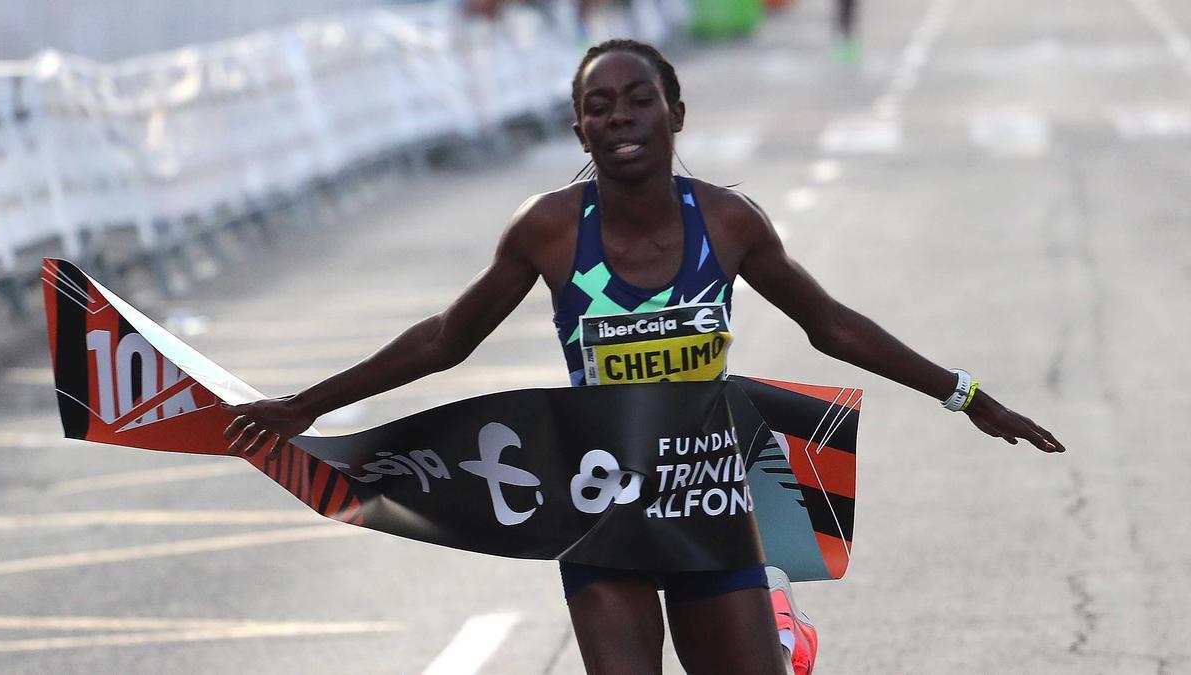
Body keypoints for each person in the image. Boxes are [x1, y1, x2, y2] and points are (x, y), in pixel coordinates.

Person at [223, 39, 1064, 674]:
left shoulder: (729, 222)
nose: (619, 116)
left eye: (638, 99)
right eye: (599, 105)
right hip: (601, 502)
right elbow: (449, 336)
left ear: (676, 114)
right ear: (579, 126)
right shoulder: (550, 228)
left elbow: (830, 324)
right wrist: (308, 404)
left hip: (708, 495)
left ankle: (773, 612)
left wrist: (965, 393)